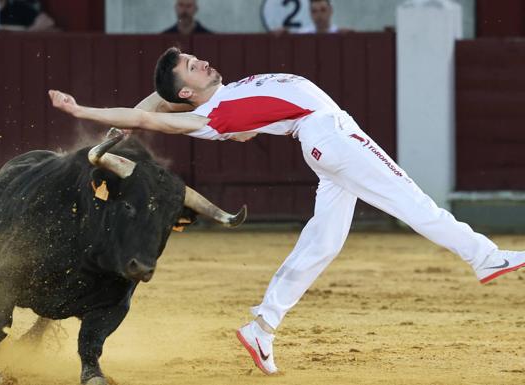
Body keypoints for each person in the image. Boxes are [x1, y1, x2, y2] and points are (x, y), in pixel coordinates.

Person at [48, 47, 525, 376]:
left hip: (323, 140)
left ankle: (262, 326)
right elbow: (148, 114)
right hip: (333, 138)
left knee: (323, 241)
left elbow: (157, 101)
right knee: (413, 203)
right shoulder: (215, 115)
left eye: (195, 59)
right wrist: (85, 113)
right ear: (188, 95)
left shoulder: (229, 99)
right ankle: (485, 257)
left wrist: (120, 130)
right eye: (193, 67)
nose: (203, 62)